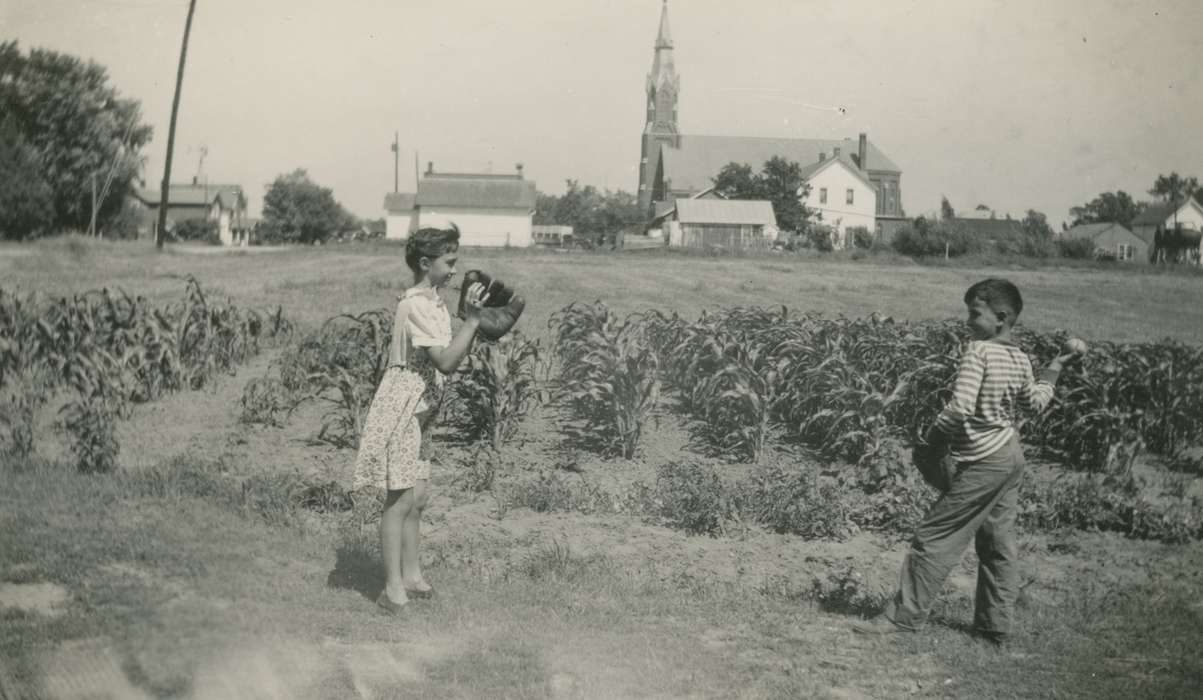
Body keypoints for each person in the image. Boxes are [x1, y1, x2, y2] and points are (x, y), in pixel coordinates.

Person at [852, 278, 1074, 643]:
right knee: (997, 543)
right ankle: (994, 629)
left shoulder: (978, 352)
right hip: (1010, 456)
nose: (968, 321)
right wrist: (1057, 365)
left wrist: (932, 441)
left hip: (984, 460)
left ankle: (902, 619)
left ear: (1000, 317)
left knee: (934, 534)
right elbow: (1034, 403)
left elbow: (960, 408)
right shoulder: (1019, 358)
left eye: (975, 314)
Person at [352, 222, 488, 614]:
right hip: (404, 407)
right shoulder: (413, 305)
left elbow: (449, 355)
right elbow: (445, 361)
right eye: (449, 262)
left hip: (424, 406)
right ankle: (392, 588)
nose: (455, 270)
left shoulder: (434, 303)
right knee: (399, 498)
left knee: (419, 497)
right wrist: (474, 323)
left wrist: (474, 323)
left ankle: (411, 574)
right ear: (426, 263)